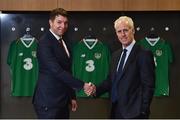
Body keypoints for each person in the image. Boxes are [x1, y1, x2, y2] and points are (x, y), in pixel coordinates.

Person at [86, 16, 155, 119]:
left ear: (133, 31)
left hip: (134, 114)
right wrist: (95, 89)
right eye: (119, 31)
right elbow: (110, 81)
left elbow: (148, 86)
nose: (122, 34)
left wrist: (143, 112)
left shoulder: (143, 54)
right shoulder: (115, 56)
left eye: (125, 30)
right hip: (115, 111)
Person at [32, 8, 91, 119]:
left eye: (65, 23)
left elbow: (67, 70)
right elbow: (57, 71)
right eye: (59, 22)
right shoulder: (44, 43)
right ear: (50, 22)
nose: (63, 26)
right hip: (48, 102)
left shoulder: (64, 41)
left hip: (63, 101)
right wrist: (83, 85)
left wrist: (71, 96)